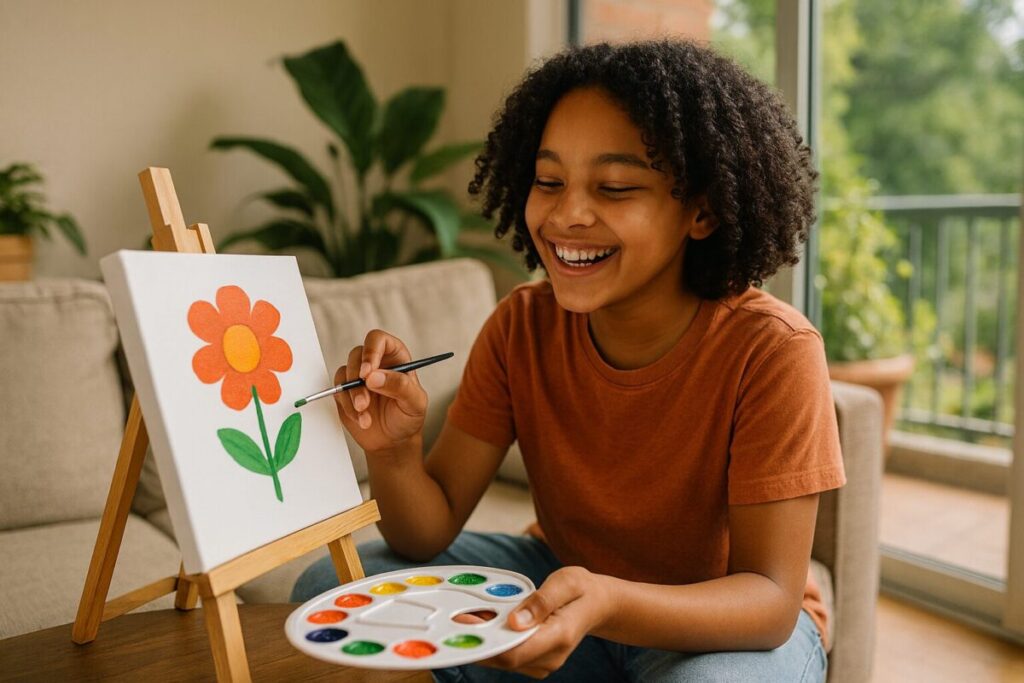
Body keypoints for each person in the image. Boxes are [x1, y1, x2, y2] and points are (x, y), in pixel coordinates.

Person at [293, 39, 845, 682]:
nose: (565, 214)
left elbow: (769, 603)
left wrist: (606, 603)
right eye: (548, 181)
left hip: (714, 624)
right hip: (564, 583)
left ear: (703, 210)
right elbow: (427, 531)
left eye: (614, 187)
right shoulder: (520, 327)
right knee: (332, 587)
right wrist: (393, 451)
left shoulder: (773, 351)